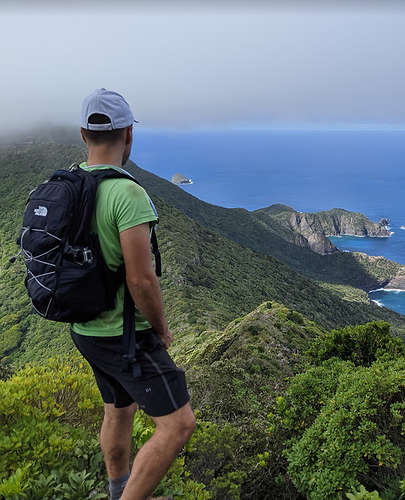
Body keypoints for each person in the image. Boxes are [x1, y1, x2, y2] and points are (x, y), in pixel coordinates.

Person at [70, 88, 196, 500]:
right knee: (178, 425)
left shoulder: (70, 187)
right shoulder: (127, 194)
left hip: (85, 329)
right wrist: (161, 329)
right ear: (128, 135)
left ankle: (116, 489)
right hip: (124, 337)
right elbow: (142, 280)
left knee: (118, 409)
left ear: (84, 135)